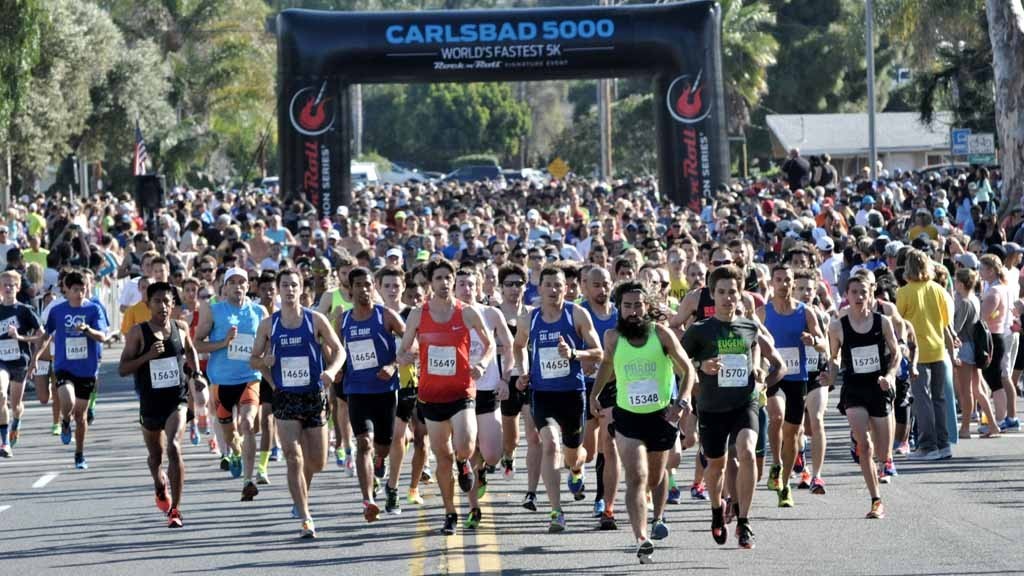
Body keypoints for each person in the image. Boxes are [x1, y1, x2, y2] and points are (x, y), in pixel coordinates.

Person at [590, 281, 695, 564]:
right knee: (636, 476)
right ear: (619, 308)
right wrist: (594, 394)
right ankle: (641, 537)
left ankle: (658, 516)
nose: (633, 311)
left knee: (656, 477)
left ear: (646, 307)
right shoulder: (612, 337)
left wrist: (682, 401)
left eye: (638, 305)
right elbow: (607, 364)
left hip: (661, 415)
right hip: (628, 416)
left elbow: (688, 369)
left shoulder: (661, 334)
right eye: (627, 306)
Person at [682, 265, 783, 550]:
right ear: (712, 295)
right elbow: (678, 364)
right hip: (712, 407)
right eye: (722, 292)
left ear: (740, 295)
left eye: (733, 292)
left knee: (747, 451)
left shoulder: (749, 326)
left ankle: (744, 520)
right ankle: (717, 509)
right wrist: (700, 365)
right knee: (716, 466)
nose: (728, 298)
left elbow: (758, 350)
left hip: (744, 402)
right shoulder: (699, 330)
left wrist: (759, 369)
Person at [397, 258, 494, 536]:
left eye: (447, 278)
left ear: (453, 281)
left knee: (465, 445)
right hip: (431, 396)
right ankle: (450, 513)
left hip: (462, 391)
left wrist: (482, 364)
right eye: (438, 278)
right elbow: (403, 349)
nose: (444, 283)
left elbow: (489, 344)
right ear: (430, 283)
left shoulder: (466, 312)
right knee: (442, 458)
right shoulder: (418, 314)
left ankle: (464, 463)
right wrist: (404, 357)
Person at [250, 268, 345, 538]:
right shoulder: (269, 325)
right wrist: (268, 370)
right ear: (278, 290)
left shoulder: (315, 320)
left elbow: (340, 350)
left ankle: (302, 490)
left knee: (318, 462)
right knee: (293, 457)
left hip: (313, 396)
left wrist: (331, 371)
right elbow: (253, 360)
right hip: (286, 399)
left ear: (301, 288)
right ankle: (305, 517)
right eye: (285, 285)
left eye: (294, 285)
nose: (289, 290)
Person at [512, 265, 603, 533]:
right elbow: (518, 346)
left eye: (558, 285)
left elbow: (598, 352)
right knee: (550, 444)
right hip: (542, 394)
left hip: (572, 394)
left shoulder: (577, 314)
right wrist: (522, 371)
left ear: (566, 288)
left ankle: (576, 470)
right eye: (548, 285)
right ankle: (556, 511)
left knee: (575, 455)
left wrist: (574, 354)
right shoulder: (530, 319)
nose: (553, 290)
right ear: (539, 289)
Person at [118, 281, 200, 528]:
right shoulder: (138, 332)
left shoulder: (180, 327)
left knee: (174, 446)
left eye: (167, 301)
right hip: (151, 403)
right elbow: (123, 368)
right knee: (155, 456)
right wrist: (147, 356)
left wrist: (197, 374)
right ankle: (158, 482)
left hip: (177, 400)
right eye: (157, 301)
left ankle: (175, 509)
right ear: (148, 304)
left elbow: (190, 351)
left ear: (173, 304)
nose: (163, 306)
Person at [826, 272, 900, 519]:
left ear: (871, 294)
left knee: (883, 452)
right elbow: (834, 357)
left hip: (878, 387)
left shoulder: (882, 322)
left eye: (863, 292)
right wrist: (830, 374)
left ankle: (878, 458)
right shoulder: (837, 326)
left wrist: (890, 376)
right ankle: (876, 500)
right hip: (854, 388)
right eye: (854, 292)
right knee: (865, 446)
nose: (858, 297)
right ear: (846, 295)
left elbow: (896, 353)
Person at [194, 267, 269, 499]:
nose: (237, 286)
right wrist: (223, 343)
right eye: (232, 282)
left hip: (249, 378)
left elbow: (269, 343)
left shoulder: (259, 311)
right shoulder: (213, 310)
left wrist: (267, 360)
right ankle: (235, 452)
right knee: (230, 435)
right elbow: (197, 344)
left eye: (241, 282)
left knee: (247, 424)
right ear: (224, 287)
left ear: (248, 286)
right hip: (221, 381)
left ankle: (248, 480)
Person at [339, 267, 405, 522]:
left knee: (383, 446)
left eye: (368, 285)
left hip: (385, 391)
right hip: (357, 390)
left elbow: (411, 341)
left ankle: (380, 460)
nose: (364, 290)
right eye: (359, 285)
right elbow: (334, 349)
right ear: (350, 290)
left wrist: (394, 365)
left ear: (373, 287)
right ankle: (368, 501)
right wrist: (336, 369)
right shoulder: (343, 320)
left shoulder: (385, 315)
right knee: (364, 443)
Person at [756, 265, 826, 507]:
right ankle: (776, 463)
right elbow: (752, 343)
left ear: (793, 283)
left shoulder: (805, 312)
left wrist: (813, 340)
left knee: (793, 434)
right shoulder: (762, 313)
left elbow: (823, 344)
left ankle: (785, 485)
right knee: (776, 416)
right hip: (775, 375)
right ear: (772, 283)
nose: (783, 284)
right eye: (778, 279)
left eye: (787, 280)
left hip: (798, 378)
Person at [454, 266, 513, 529]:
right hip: (460, 392)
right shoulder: (448, 315)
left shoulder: (491, 314)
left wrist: (505, 378)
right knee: (466, 450)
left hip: (488, 389)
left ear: (479, 286)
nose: (467, 289)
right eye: (461, 284)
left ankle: (481, 470)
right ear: (454, 288)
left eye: (471, 284)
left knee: (491, 455)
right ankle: (473, 508)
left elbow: (509, 346)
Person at [31, 271, 108, 469]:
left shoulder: (93, 309)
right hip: (64, 366)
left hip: (87, 369)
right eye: (75, 290)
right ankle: (65, 420)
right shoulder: (58, 311)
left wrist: (87, 330)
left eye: (83, 289)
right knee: (68, 399)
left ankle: (79, 454)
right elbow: (46, 336)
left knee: (81, 417)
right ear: (66, 290)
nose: (80, 294)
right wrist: (36, 358)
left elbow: (103, 336)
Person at [896, 250, 954, 460]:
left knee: (922, 400)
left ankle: (928, 445)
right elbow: (947, 321)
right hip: (938, 348)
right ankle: (943, 444)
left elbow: (898, 321)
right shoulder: (939, 290)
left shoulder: (904, 292)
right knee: (939, 399)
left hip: (917, 352)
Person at [496, 263, 543, 510]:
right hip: (506, 379)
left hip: (529, 377)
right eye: (509, 284)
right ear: (501, 288)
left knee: (534, 436)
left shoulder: (533, 314)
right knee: (511, 440)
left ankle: (531, 493)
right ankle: (508, 456)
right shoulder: (494, 314)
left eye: (519, 284)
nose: (514, 289)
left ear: (525, 287)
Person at [578, 266, 621, 526]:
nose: (602, 289)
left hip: (612, 387)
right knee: (587, 450)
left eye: (606, 284)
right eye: (596, 285)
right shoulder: (579, 312)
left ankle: (602, 499)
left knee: (608, 443)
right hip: (582, 386)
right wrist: (581, 358)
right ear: (585, 287)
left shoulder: (619, 314)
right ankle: (576, 468)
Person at [0, 270, 43, 457]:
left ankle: (16, 421)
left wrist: (20, 338)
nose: (8, 288)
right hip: (1, 361)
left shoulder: (24, 310)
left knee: (16, 405)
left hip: (19, 361)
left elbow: (42, 336)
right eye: (5, 285)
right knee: (1, 395)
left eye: (12, 285)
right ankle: (5, 443)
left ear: (18, 288)